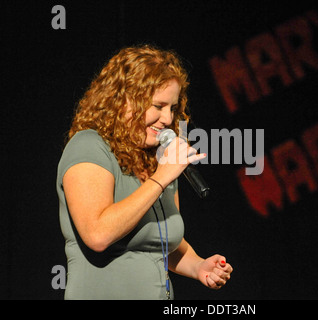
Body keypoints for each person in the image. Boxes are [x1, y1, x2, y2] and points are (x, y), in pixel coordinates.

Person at [56, 44, 233, 300]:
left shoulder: (158, 160)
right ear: (124, 100)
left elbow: (160, 241)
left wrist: (197, 266)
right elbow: (98, 234)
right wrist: (161, 178)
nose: (167, 119)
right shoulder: (89, 146)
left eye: (172, 108)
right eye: (158, 106)